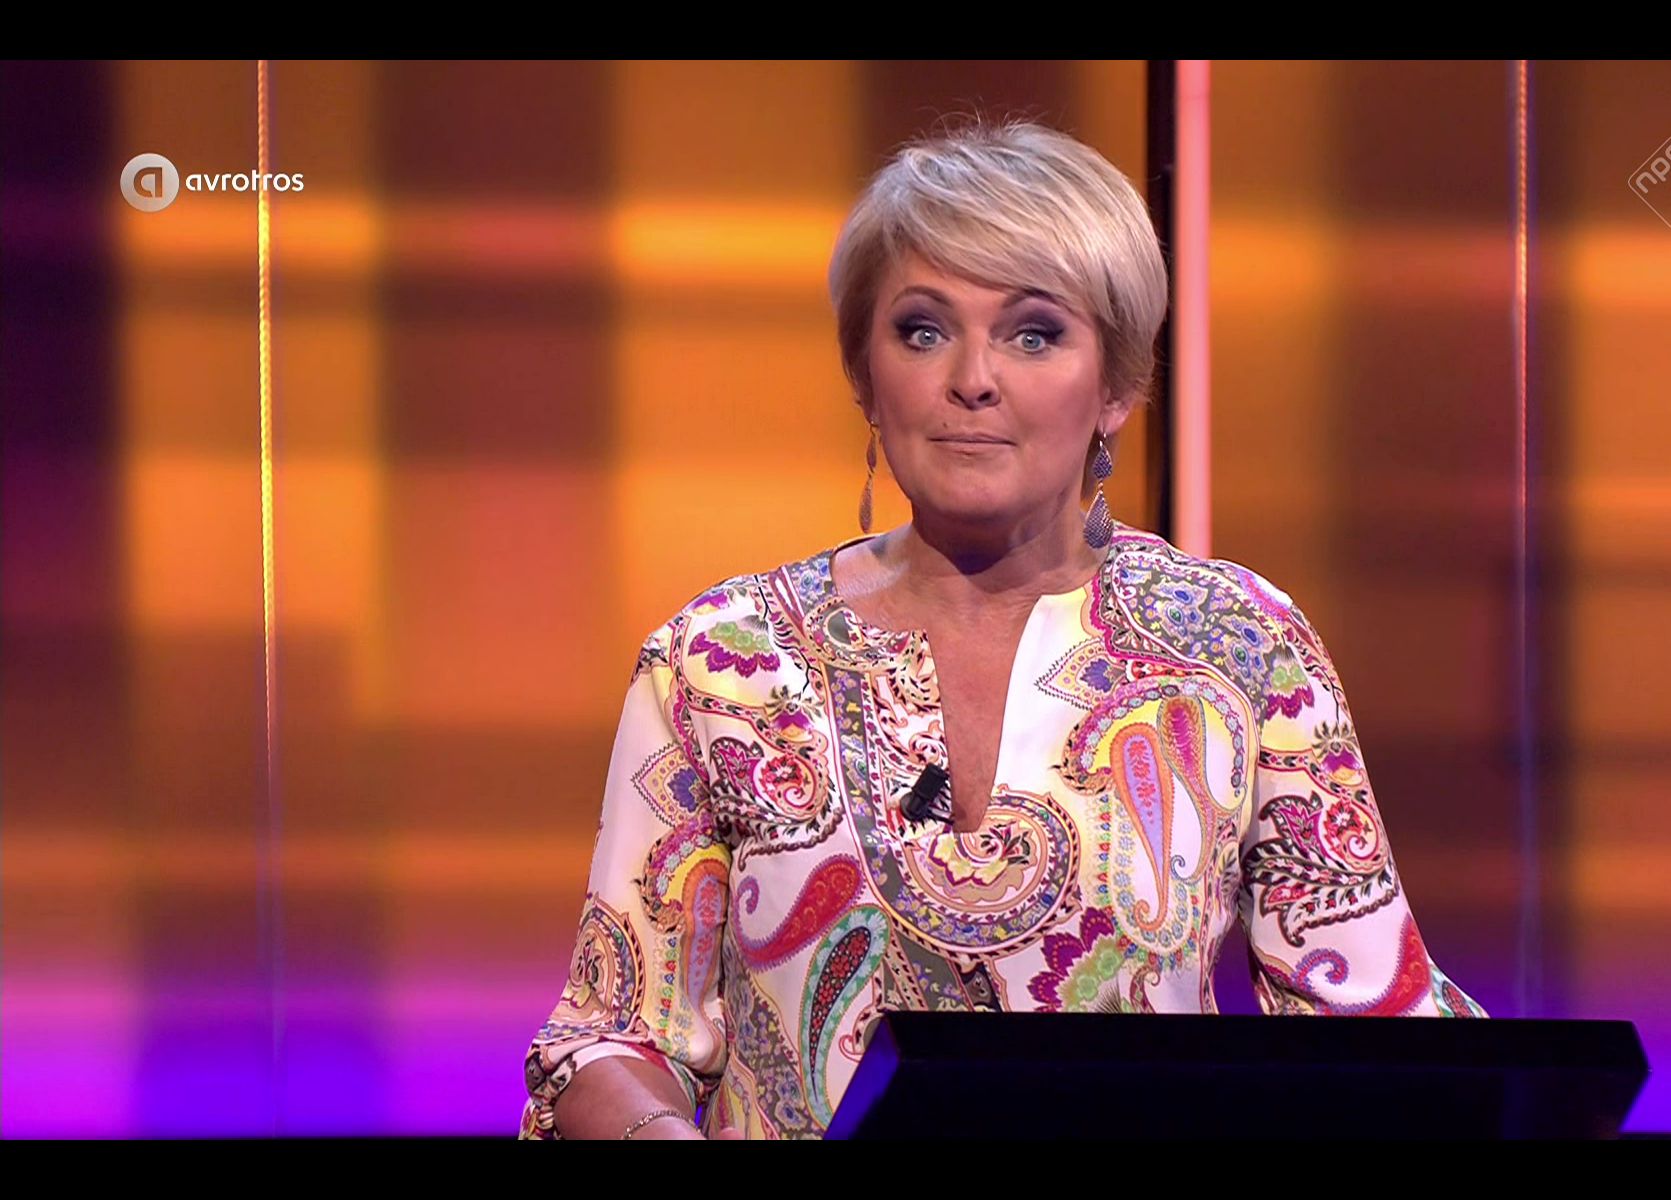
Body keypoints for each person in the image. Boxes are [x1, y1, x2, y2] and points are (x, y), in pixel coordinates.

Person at [518, 116, 1488, 1142]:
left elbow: (1382, 1032)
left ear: (1117, 386)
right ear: (864, 374)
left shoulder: (1238, 645)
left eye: (1033, 333)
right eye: (922, 330)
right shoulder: (725, 662)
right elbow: (609, 1037)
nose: (972, 377)